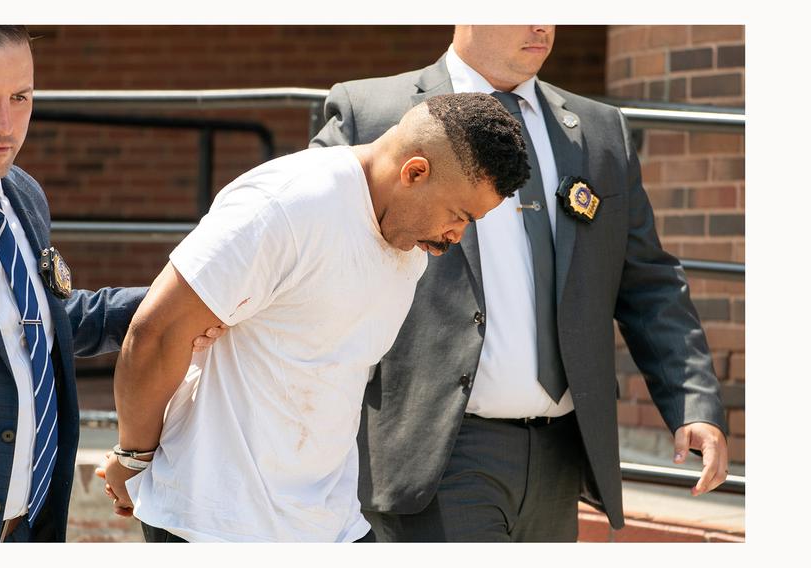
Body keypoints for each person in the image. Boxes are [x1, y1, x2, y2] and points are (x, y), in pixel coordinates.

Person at [309, 24, 730, 542]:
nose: (542, 25)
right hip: (434, 452)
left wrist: (692, 403)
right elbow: (309, 241)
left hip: (560, 459)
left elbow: (647, 281)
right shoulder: (371, 111)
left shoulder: (600, 131)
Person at [97, 92, 529, 542]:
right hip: (214, 522)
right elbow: (156, 332)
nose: (456, 236)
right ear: (415, 172)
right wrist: (134, 456)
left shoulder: (409, 245)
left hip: (329, 523)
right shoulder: (287, 204)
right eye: (458, 215)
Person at [0, 25, 218, 543]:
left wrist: (181, 304)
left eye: (21, 97)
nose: (5, 123)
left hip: (29, 526)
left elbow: (43, 323)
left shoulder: (21, 194)